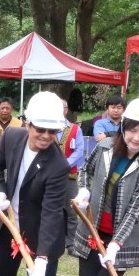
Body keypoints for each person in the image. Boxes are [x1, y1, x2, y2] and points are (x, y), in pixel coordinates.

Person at [72, 97, 139, 276]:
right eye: (133, 130)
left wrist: (116, 244)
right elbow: (86, 170)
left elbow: (135, 208)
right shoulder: (105, 147)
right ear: (123, 128)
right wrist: (84, 190)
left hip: (122, 238)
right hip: (93, 228)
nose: (137, 137)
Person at [0, 91, 69, 276]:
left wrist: (42, 257)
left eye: (53, 131)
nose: (46, 135)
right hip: (10, 225)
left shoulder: (58, 165)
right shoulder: (12, 136)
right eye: (40, 129)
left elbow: (52, 212)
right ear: (27, 124)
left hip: (41, 232)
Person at [58, 98, 85, 254]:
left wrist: (65, 164)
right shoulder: (47, 128)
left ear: (66, 110)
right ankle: (56, 240)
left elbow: (79, 150)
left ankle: (70, 243)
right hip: (49, 176)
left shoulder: (76, 129)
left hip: (69, 176)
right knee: (52, 208)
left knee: (72, 209)